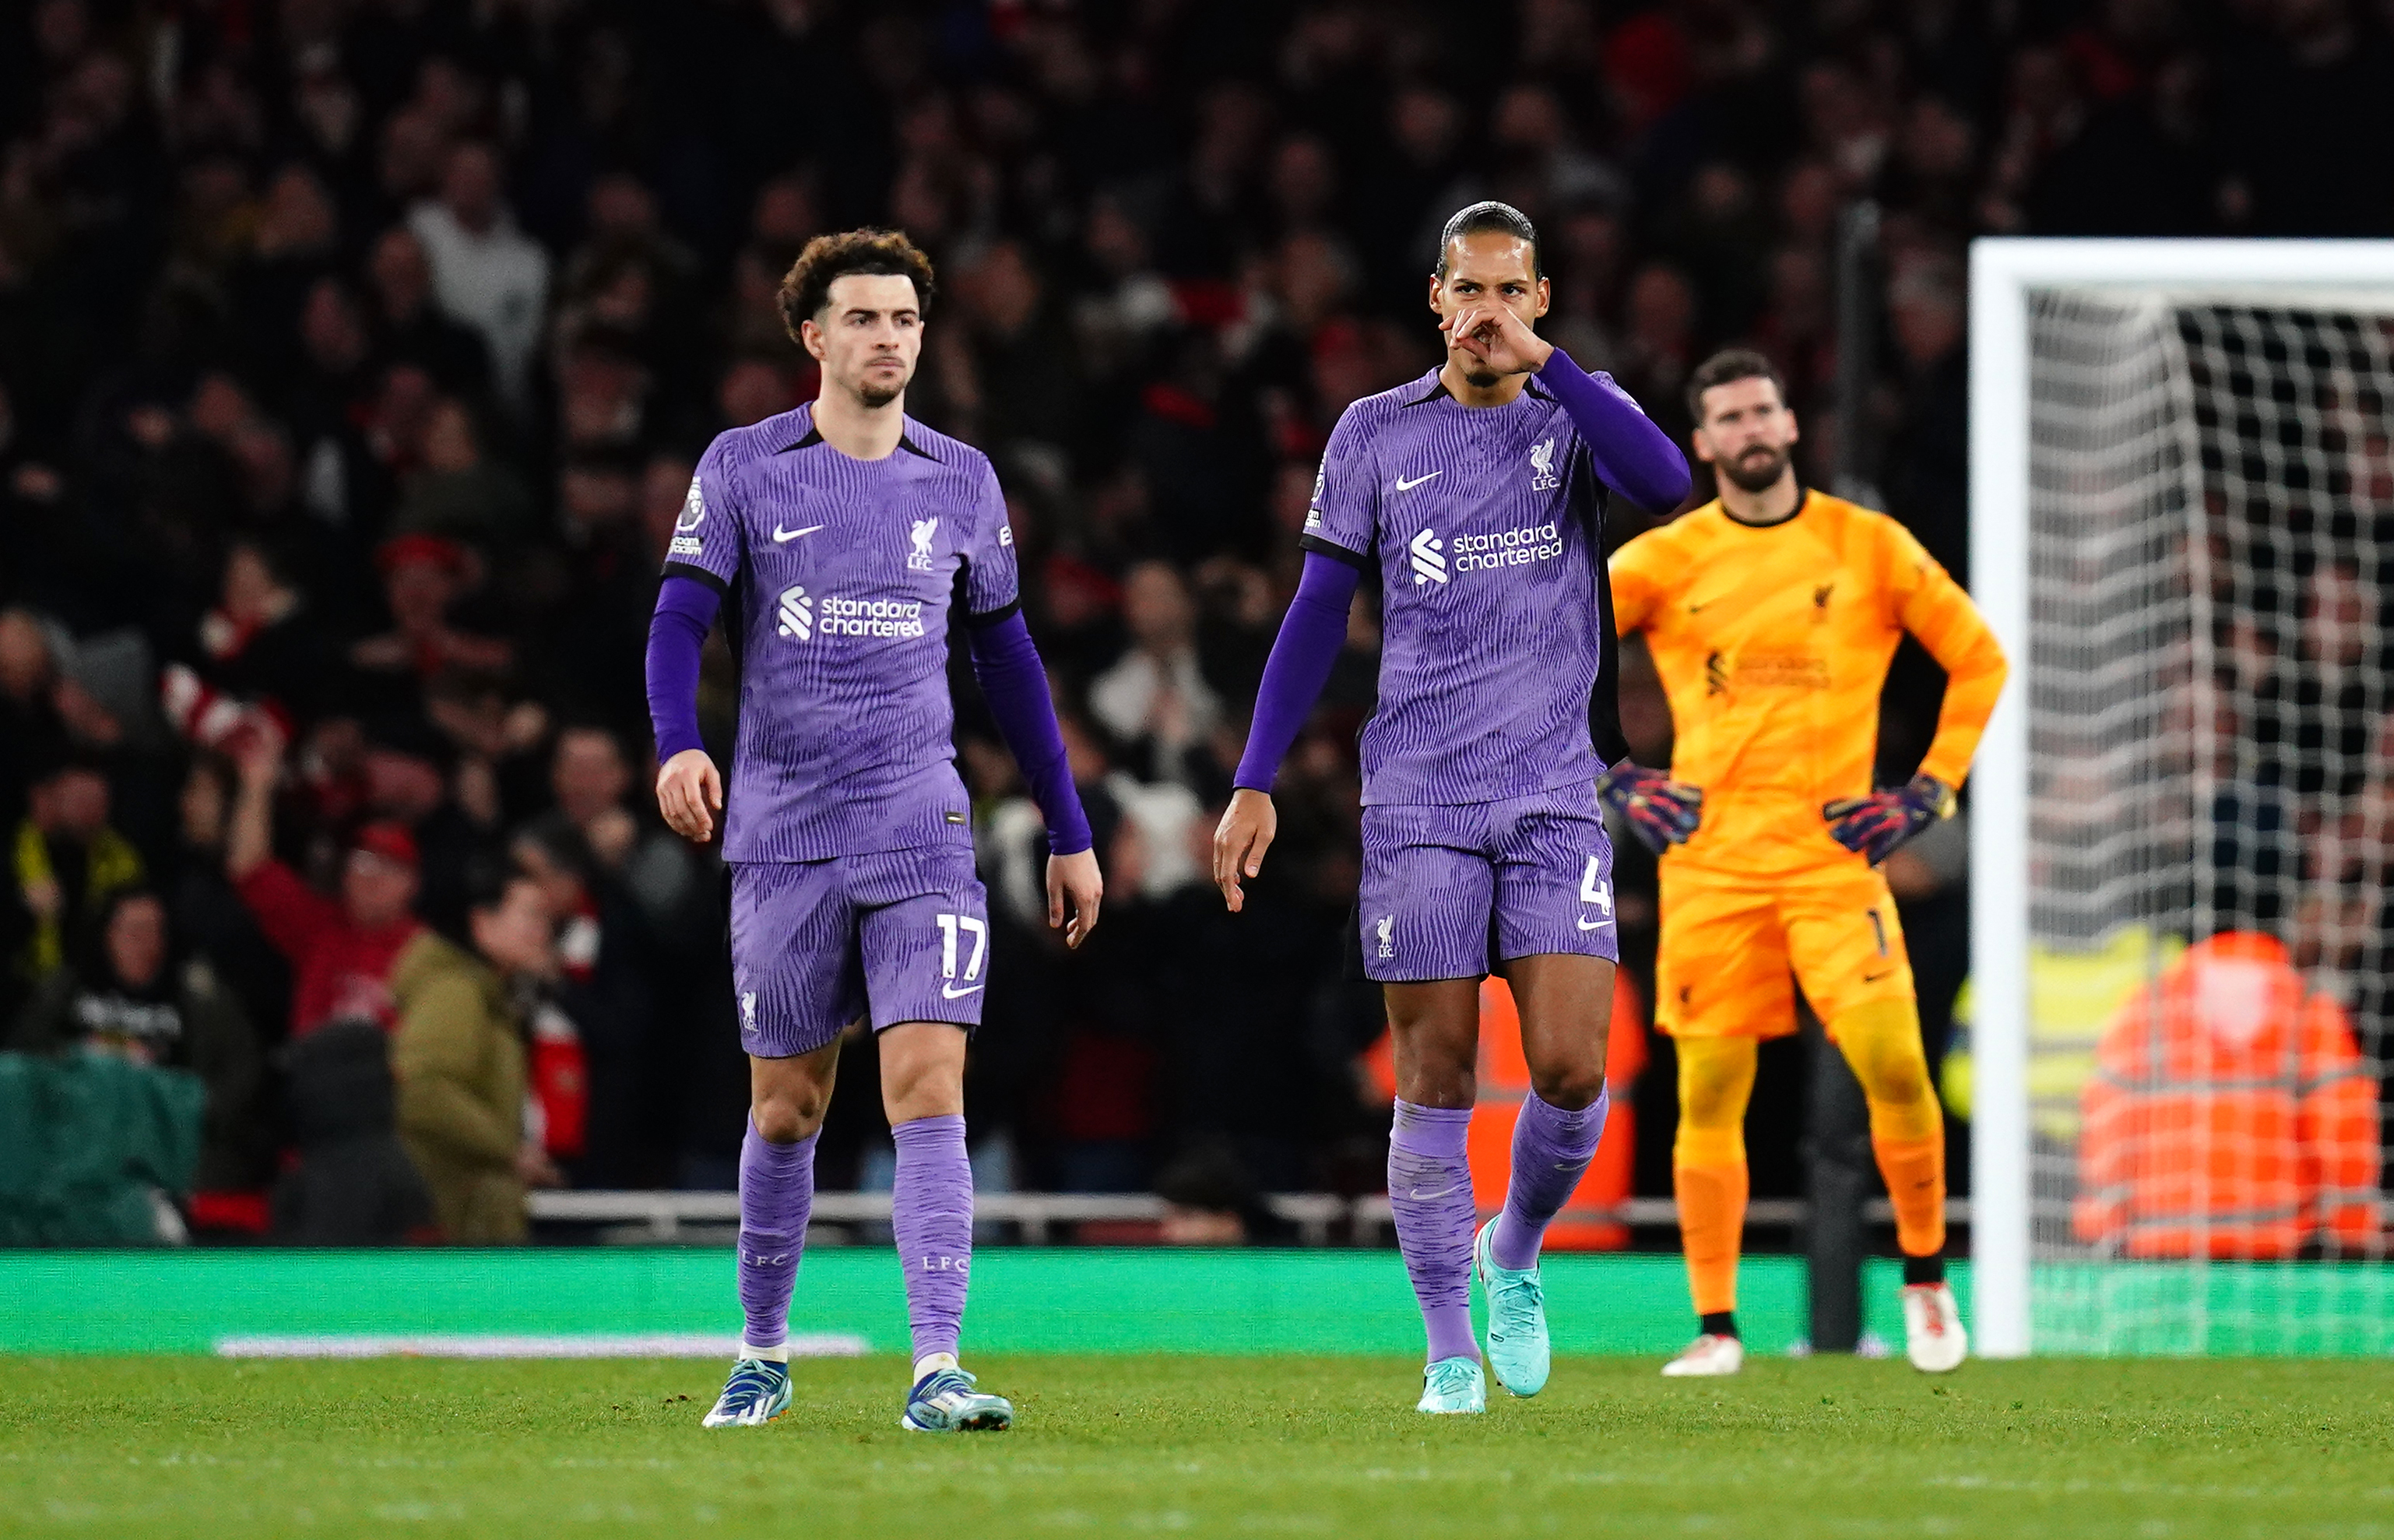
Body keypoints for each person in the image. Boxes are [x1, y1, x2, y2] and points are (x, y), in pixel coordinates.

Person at [1212, 202, 1689, 1414]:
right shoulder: (1373, 431)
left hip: (1549, 793)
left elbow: (1667, 483)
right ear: (1435, 300)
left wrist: (1558, 372)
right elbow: (1318, 610)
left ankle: (1513, 1252)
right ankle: (1442, 1349)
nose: (1485, 312)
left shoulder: (1571, 420)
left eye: (1508, 292)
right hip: (1417, 794)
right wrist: (1254, 776)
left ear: (1538, 300)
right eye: (1466, 292)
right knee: (1429, 1076)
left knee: (1571, 1067)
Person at [646, 227, 1102, 1433]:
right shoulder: (744, 468)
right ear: (812, 336)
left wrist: (1067, 826)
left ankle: (935, 1366)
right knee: (787, 1105)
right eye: (861, 319)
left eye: (903, 319)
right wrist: (678, 742)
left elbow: (1007, 662)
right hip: (785, 830)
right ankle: (760, 1351)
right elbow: (678, 620)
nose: (887, 338)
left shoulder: (961, 478)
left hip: (921, 826)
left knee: (928, 1086)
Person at [1604, 347, 2008, 1377]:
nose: (1745, 430)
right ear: (1700, 444)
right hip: (1710, 863)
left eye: (1759, 411)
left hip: (1833, 860)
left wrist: (1929, 787)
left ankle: (1922, 1283)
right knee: (1708, 1091)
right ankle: (1715, 1327)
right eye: (1725, 418)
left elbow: (1977, 655)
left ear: (1788, 425)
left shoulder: (1863, 544)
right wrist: (1610, 773)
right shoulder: (1664, 557)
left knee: (1892, 1063)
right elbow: (1538, 648)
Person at [390, 862, 562, 1243]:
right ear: (482, 922)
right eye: (531, 916)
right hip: (452, 1226)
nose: (543, 932)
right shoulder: (456, 992)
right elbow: (424, 1089)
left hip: (470, 1219)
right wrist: (507, 1149)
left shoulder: (487, 996)